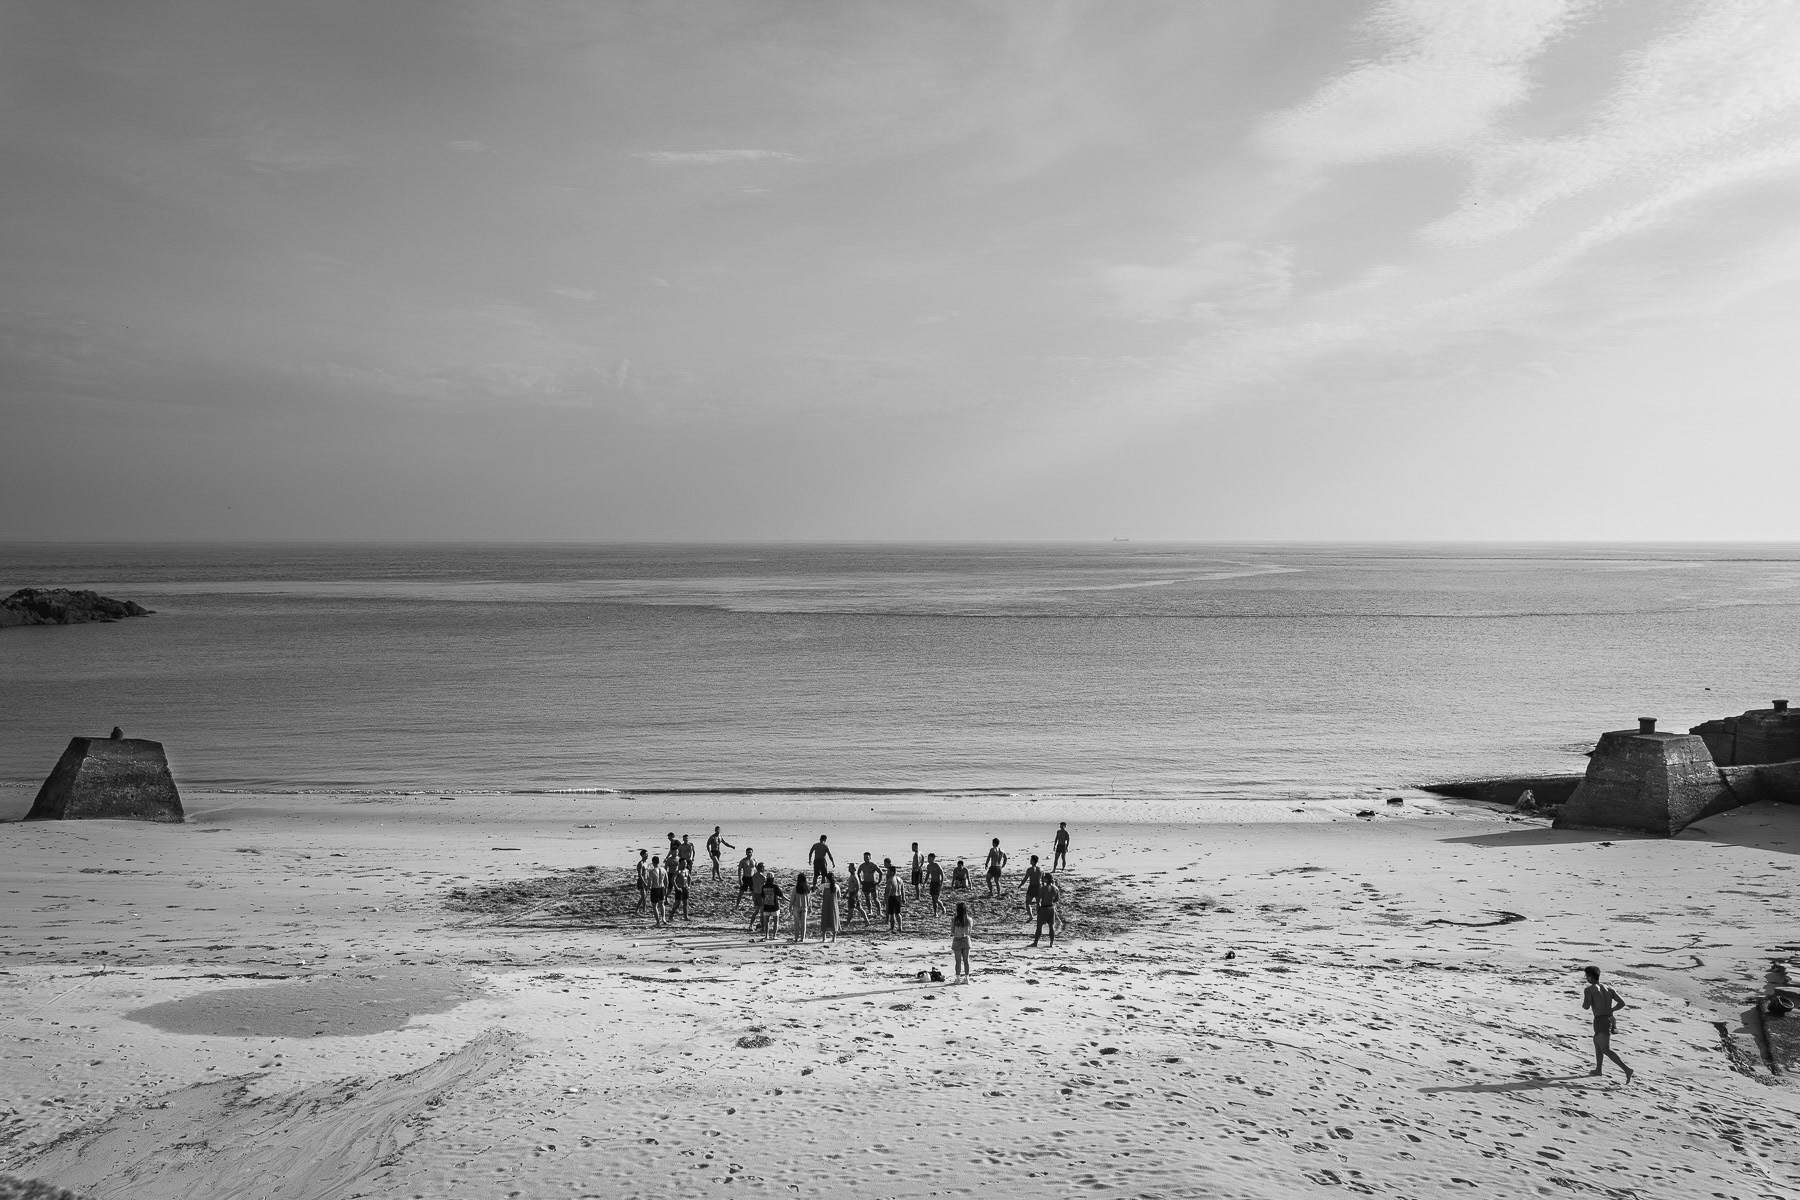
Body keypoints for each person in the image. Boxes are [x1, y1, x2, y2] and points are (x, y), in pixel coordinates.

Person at [1582, 966, 1634, 1082]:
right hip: (1610, 1018)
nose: (1585, 978)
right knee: (1596, 1041)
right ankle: (1598, 1069)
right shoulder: (1609, 988)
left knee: (1605, 1049)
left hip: (1600, 1020)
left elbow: (1586, 1006)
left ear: (1590, 977)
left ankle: (1627, 1069)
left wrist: (1588, 1000)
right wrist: (1612, 1009)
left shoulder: (1589, 989)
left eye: (1586, 976)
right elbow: (1622, 1003)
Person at [1029, 872, 1061, 947]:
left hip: (1044, 908)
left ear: (1046, 879)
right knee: (1051, 926)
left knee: (1039, 926)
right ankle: (1051, 943)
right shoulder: (1056, 888)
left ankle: (1035, 942)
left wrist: (1038, 906)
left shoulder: (1043, 889)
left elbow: (1038, 900)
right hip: (1051, 908)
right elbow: (1057, 899)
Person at [756, 873, 783, 941]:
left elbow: (762, 897)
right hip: (774, 906)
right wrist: (788, 900)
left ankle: (766, 935)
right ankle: (774, 935)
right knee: (776, 921)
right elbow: (781, 895)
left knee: (766, 922)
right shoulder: (775, 886)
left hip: (766, 906)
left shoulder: (764, 887)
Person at [950, 903, 974, 981]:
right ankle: (967, 977)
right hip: (966, 940)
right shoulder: (969, 920)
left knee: (958, 961)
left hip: (957, 939)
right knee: (966, 960)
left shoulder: (954, 920)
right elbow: (970, 931)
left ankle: (958, 978)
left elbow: (952, 931)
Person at [882, 859, 904, 934]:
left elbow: (889, 890)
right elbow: (902, 889)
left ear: (891, 872)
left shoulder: (890, 880)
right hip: (899, 896)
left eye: (888, 871)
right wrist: (903, 898)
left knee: (892, 914)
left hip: (892, 897)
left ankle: (892, 927)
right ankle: (900, 927)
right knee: (898, 913)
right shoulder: (900, 879)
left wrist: (885, 899)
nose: (887, 873)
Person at [857, 853, 880, 920]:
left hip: (872, 883)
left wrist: (878, 881)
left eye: (867, 857)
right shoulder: (862, 865)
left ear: (870, 857)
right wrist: (860, 880)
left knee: (875, 898)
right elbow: (858, 872)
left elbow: (880, 872)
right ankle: (870, 911)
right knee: (867, 898)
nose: (865, 859)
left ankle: (879, 911)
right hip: (865, 883)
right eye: (864, 857)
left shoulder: (873, 865)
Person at [819, 872, 841, 944]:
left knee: (825, 919)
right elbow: (839, 896)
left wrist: (822, 896)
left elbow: (817, 893)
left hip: (826, 904)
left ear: (827, 878)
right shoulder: (836, 886)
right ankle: (834, 938)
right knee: (834, 919)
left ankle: (824, 937)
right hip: (834, 905)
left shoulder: (824, 886)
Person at [647, 854, 668, 927]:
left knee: (654, 905)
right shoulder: (663, 870)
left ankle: (658, 922)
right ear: (659, 862)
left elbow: (650, 882)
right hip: (661, 888)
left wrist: (648, 888)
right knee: (662, 904)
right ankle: (663, 919)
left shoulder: (652, 871)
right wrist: (665, 889)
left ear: (653, 862)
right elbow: (666, 881)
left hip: (655, 888)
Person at [790, 872, 812, 942]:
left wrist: (790, 906)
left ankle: (796, 937)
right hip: (805, 906)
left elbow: (792, 898)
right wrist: (810, 907)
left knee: (796, 923)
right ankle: (802, 938)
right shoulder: (807, 888)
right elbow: (809, 899)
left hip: (796, 906)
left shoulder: (795, 888)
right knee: (803, 923)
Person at [634, 849, 650, 913]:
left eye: (647, 854)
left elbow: (647, 872)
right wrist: (644, 883)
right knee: (643, 896)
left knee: (645, 896)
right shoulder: (640, 863)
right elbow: (640, 874)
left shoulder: (646, 863)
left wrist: (649, 880)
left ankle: (644, 909)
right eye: (646, 854)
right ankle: (636, 909)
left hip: (645, 880)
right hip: (641, 881)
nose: (647, 856)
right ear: (642, 855)